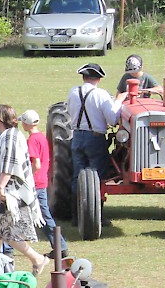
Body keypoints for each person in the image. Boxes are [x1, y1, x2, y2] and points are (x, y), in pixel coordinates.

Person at [0, 104, 49, 274]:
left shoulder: (10, 137)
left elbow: (9, 163)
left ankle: (37, 258)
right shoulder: (8, 135)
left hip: (7, 193)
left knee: (6, 232)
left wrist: (1, 187)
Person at [66, 62, 127, 193]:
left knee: (78, 174)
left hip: (77, 136)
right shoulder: (101, 94)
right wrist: (118, 101)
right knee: (97, 176)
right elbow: (112, 119)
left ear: (83, 78)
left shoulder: (73, 92)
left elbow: (69, 111)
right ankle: (93, 207)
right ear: (99, 79)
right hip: (95, 138)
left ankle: (77, 209)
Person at [21, 109, 67, 255]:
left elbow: (37, 164)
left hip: (35, 183)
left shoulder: (32, 140)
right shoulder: (41, 137)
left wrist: (28, 177)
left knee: (43, 216)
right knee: (42, 215)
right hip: (42, 181)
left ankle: (60, 247)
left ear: (26, 124)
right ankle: (59, 246)